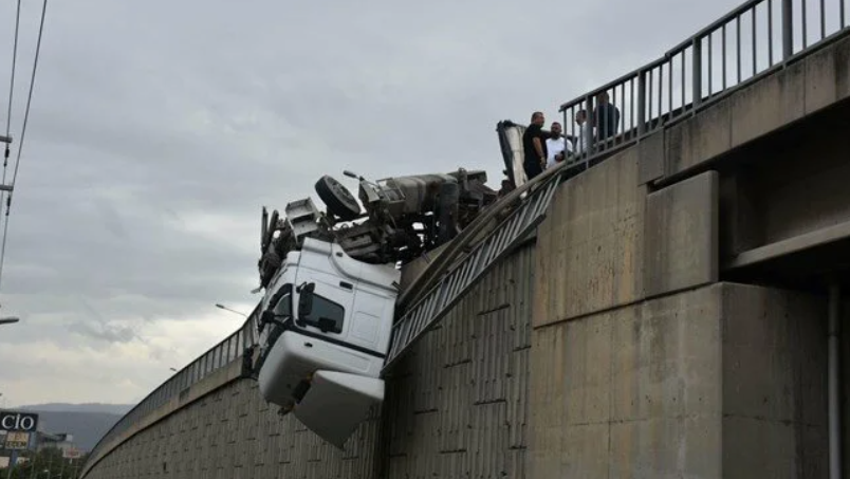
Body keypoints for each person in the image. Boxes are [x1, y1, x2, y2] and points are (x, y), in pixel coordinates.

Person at [522, 112, 554, 180]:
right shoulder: (534, 127)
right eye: (541, 118)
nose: (543, 120)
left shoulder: (529, 130)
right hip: (534, 162)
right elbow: (536, 141)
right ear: (534, 119)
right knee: (538, 182)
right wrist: (542, 156)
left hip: (529, 163)